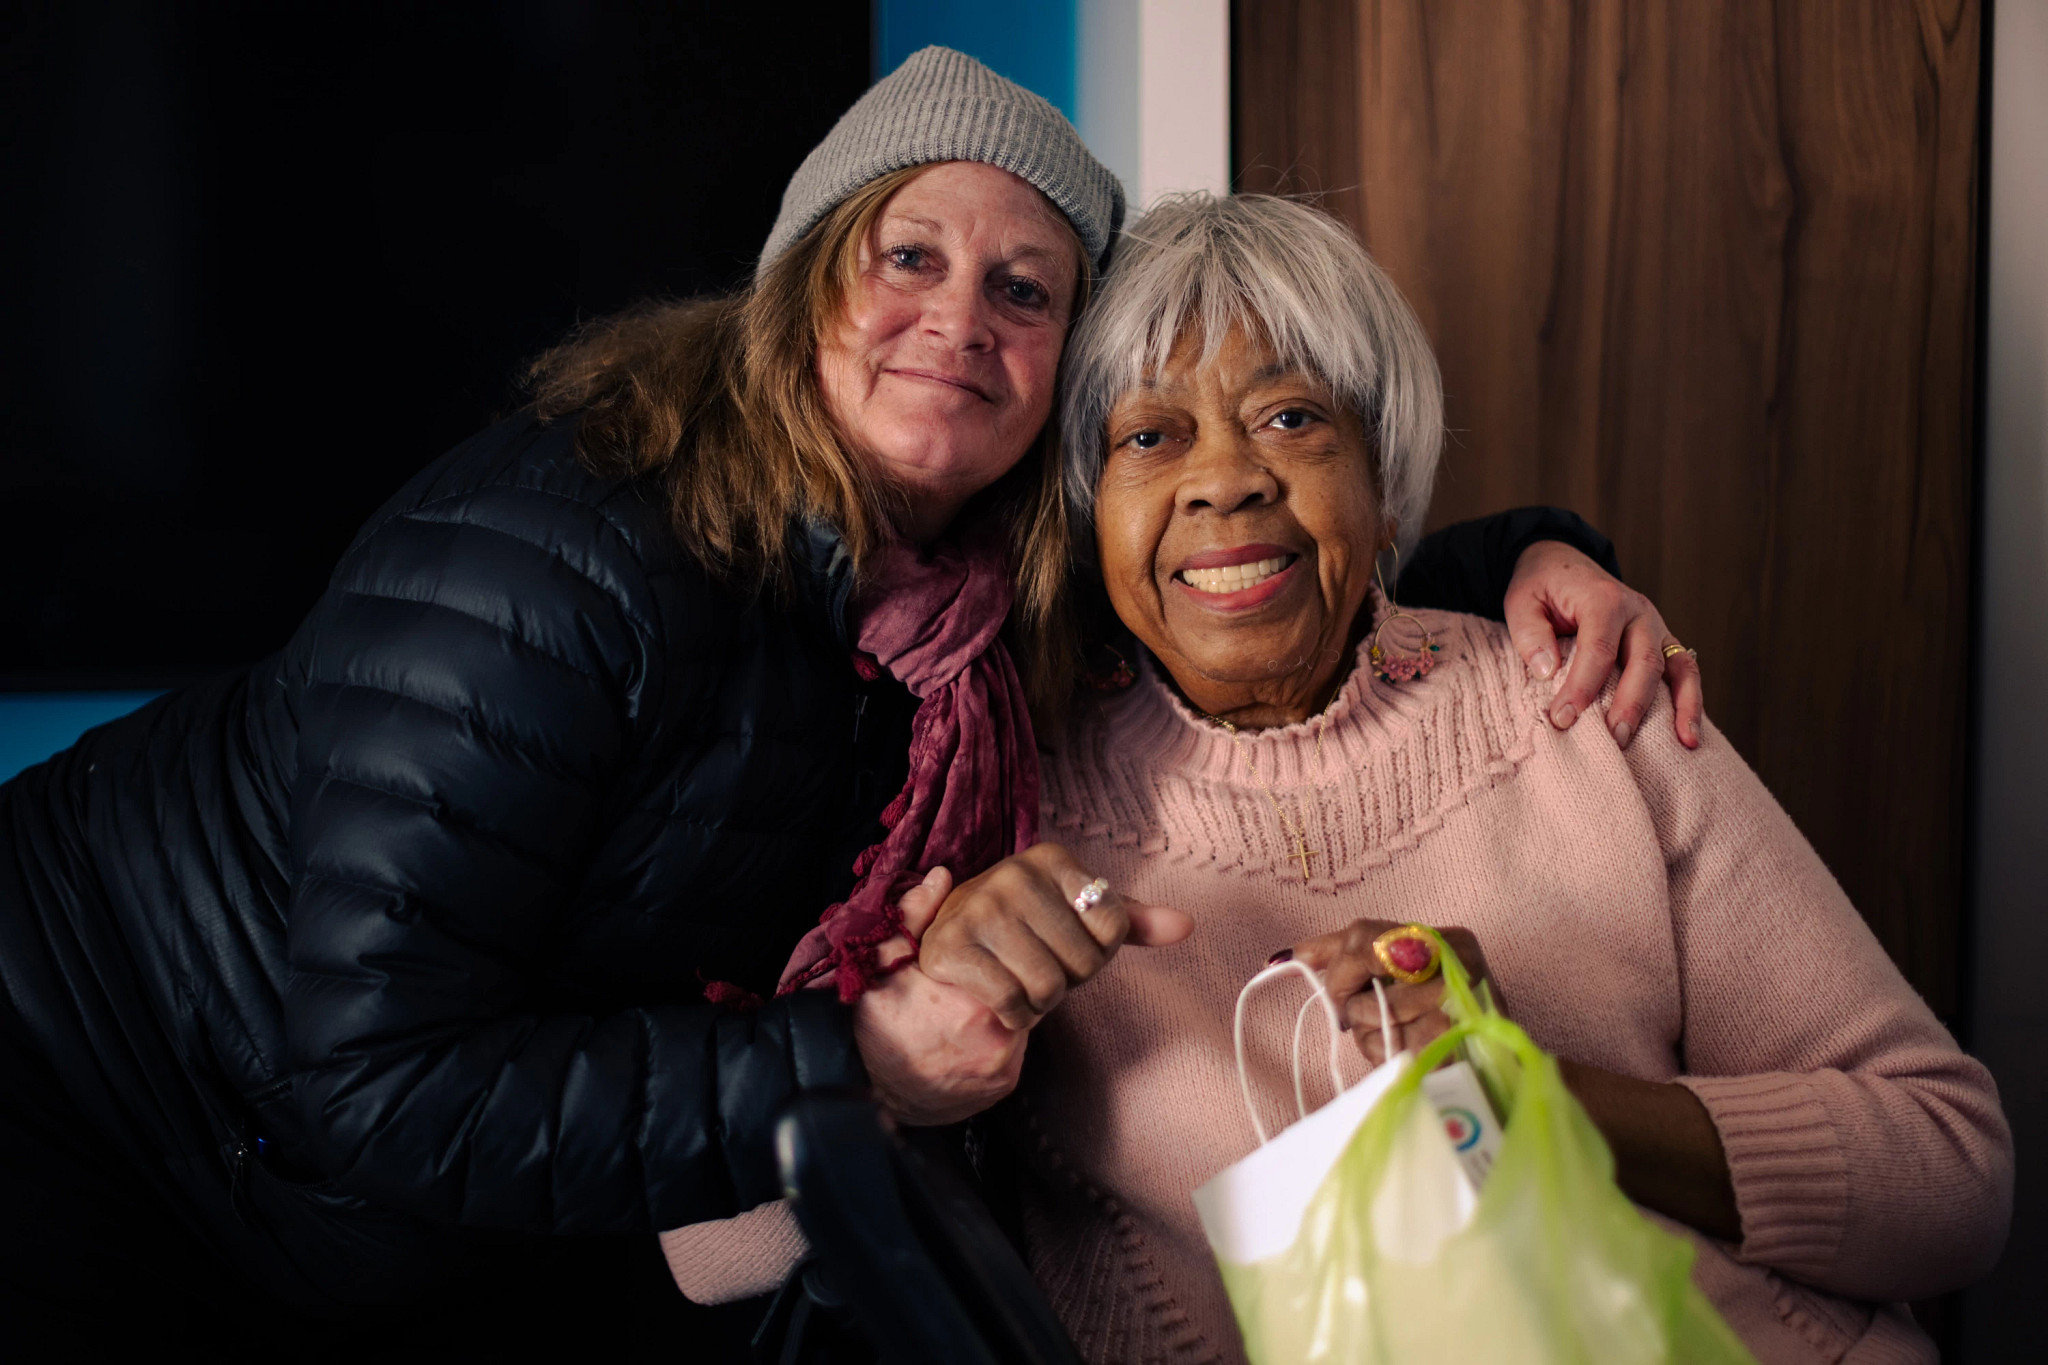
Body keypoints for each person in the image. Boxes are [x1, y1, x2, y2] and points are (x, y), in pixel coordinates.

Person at [0, 48, 1691, 1351]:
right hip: (80, 1082)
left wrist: (1528, 560)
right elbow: (375, 1082)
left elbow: (1233, 567)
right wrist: (862, 1058)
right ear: (804, 284)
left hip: (373, 1175)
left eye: (1025, 289)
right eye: (908, 257)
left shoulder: (974, 594)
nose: (957, 321)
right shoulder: (558, 562)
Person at [907, 194, 2014, 1365]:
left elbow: (1951, 1173)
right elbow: (782, 1229)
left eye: (1290, 417)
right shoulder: (999, 801)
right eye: (1148, 437)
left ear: (1384, 481)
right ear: (1085, 513)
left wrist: (1527, 1095)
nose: (1224, 480)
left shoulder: (1577, 697)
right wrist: (928, 1014)